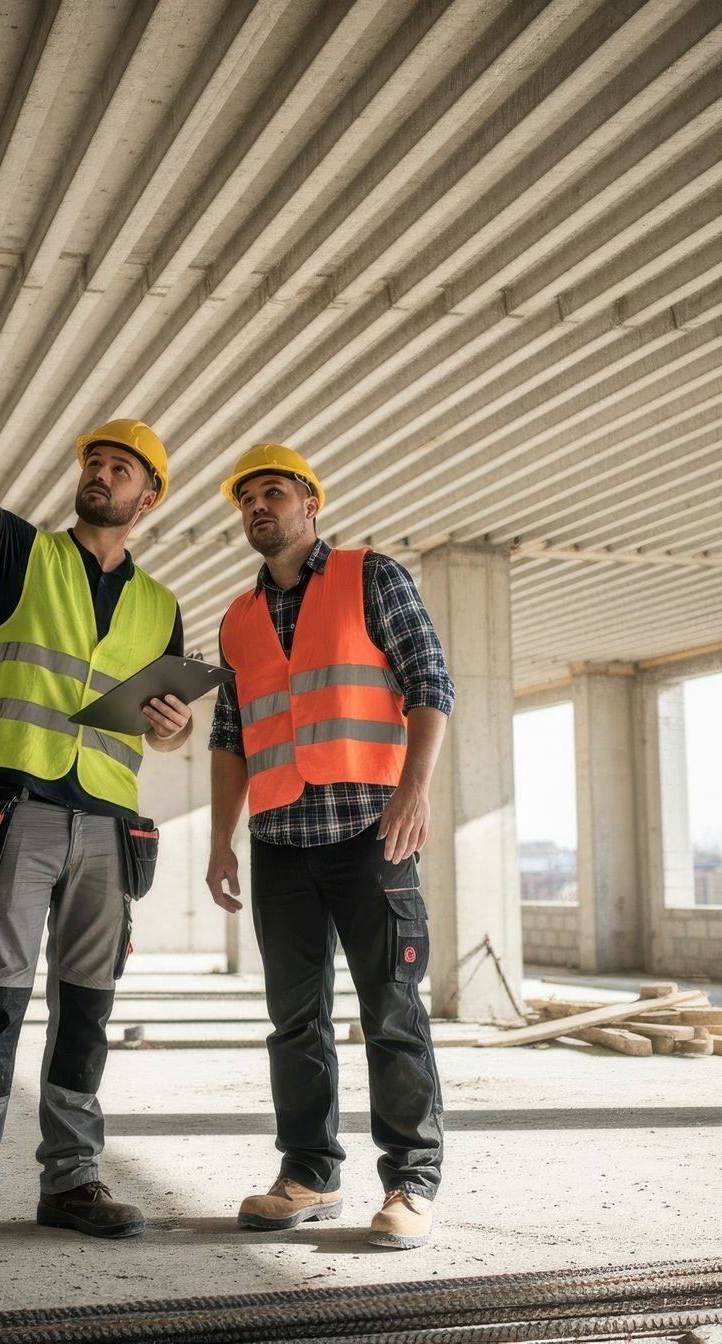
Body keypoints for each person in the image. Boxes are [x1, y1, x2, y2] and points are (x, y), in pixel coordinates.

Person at [0, 309, 193, 1264]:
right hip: (21, 814)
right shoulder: (24, 556)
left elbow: (163, 722)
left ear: (148, 497)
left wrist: (176, 726)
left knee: (86, 1012)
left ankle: (72, 1182)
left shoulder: (163, 607)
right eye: (96, 461)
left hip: (111, 833)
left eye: (122, 467)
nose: (102, 473)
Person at [205, 443, 452, 1250]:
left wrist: (414, 790)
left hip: (370, 831)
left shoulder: (369, 574)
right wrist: (220, 840)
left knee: (391, 1009)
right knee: (294, 1022)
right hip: (279, 840)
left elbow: (430, 681)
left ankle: (411, 1185)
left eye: (273, 494)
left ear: (311, 505)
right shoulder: (238, 618)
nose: (258, 508)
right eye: (248, 500)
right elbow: (231, 736)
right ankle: (309, 1174)